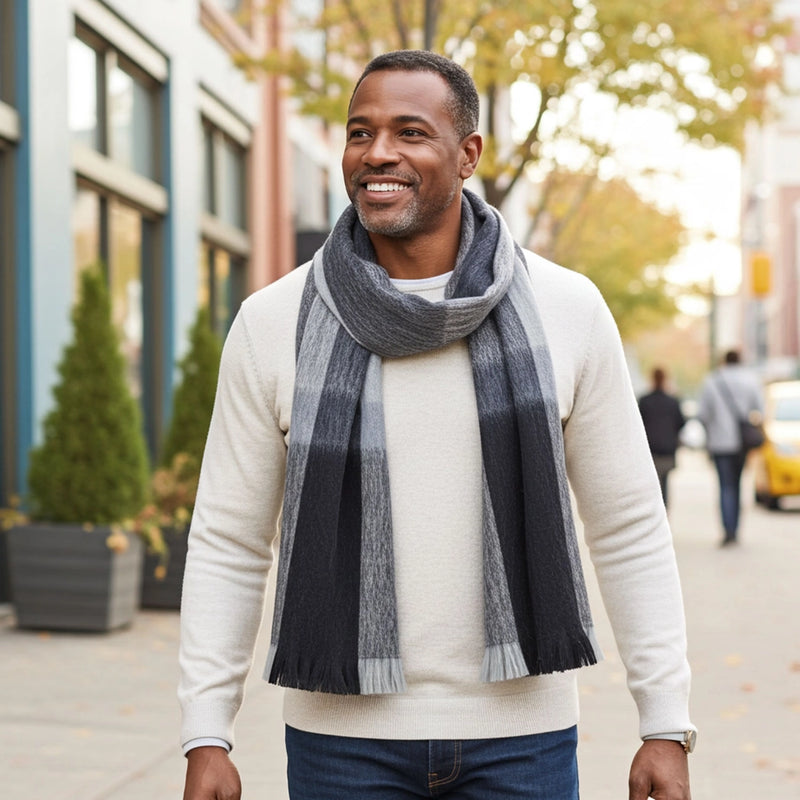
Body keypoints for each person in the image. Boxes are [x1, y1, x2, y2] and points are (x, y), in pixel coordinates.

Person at [179, 50, 695, 800]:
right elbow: (228, 539)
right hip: (339, 747)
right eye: (361, 132)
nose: (378, 152)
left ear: (468, 155)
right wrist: (205, 732)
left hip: (524, 742)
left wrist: (666, 720)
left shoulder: (567, 310)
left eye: (410, 132)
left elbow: (627, 525)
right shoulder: (271, 322)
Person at [697, 349, 764, 546]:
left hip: (720, 443)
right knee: (737, 484)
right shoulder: (751, 380)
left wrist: (712, 432)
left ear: (724, 361)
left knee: (725, 486)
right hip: (742, 443)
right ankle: (736, 530)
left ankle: (728, 531)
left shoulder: (712, 380)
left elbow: (703, 414)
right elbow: (760, 410)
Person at [638, 367, 686, 509]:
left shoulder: (645, 401)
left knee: (651, 485)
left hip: (650, 449)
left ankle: (653, 511)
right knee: (664, 484)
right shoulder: (672, 401)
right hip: (667, 449)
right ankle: (663, 512)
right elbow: (681, 422)